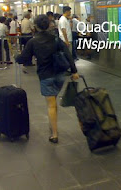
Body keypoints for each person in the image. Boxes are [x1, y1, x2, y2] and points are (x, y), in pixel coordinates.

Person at [16, 15, 79, 144]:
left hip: (46, 76)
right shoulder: (56, 38)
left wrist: (16, 56)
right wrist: (74, 71)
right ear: (49, 25)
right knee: (53, 100)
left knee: (50, 104)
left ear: (36, 26)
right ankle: (53, 124)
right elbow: (68, 54)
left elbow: (23, 59)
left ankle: (54, 134)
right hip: (59, 75)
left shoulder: (33, 42)